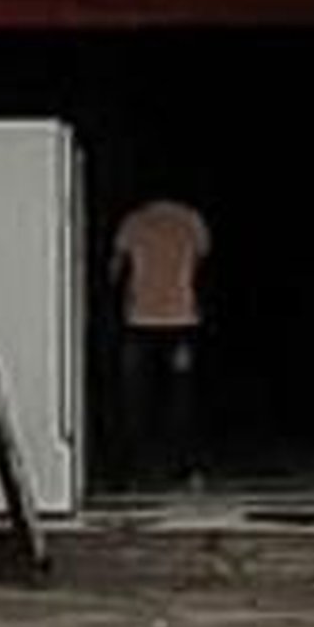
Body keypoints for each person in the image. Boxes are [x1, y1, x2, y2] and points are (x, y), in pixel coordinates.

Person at [109, 188, 210, 490]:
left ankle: (134, 472)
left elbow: (115, 270)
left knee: (135, 399)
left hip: (139, 319)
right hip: (182, 319)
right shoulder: (192, 220)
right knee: (181, 398)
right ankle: (184, 468)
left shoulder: (134, 221)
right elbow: (201, 263)